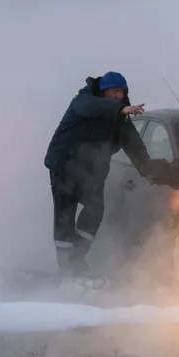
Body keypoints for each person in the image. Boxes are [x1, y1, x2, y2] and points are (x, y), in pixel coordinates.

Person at [44, 72, 150, 285]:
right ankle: (66, 267)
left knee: (95, 209)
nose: (118, 96)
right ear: (104, 91)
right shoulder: (83, 99)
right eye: (114, 92)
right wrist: (120, 109)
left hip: (92, 170)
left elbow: (133, 143)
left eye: (121, 92)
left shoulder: (121, 115)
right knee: (66, 214)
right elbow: (89, 107)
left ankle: (77, 257)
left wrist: (148, 168)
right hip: (64, 166)